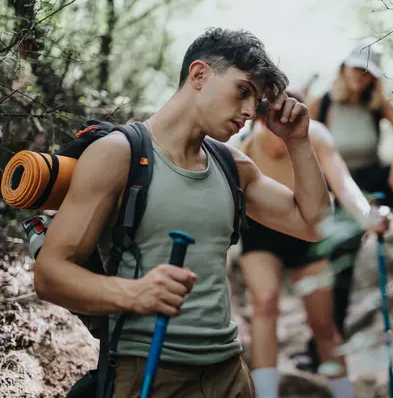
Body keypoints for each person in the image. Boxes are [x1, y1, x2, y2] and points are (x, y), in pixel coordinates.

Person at [32, 27, 333, 398]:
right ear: (199, 74)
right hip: (151, 374)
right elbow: (49, 274)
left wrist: (298, 141)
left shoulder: (232, 166)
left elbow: (316, 225)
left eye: (256, 101)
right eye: (243, 91)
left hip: (230, 374)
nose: (250, 111)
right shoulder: (118, 155)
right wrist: (134, 294)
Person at [291, 40, 393, 373]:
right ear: (343, 69)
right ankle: (319, 351)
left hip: (376, 182)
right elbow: (305, 151)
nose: (361, 77)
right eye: (356, 69)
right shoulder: (323, 103)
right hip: (339, 190)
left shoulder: (376, 102)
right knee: (339, 266)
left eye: (368, 72)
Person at [227, 89, 391, 398]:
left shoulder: (315, 136)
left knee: (323, 323)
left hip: (307, 231)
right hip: (261, 232)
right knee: (265, 306)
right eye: (272, 125)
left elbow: (342, 181)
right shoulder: (244, 140)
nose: (281, 135)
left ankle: (344, 393)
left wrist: (367, 215)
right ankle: (266, 393)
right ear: (262, 121)